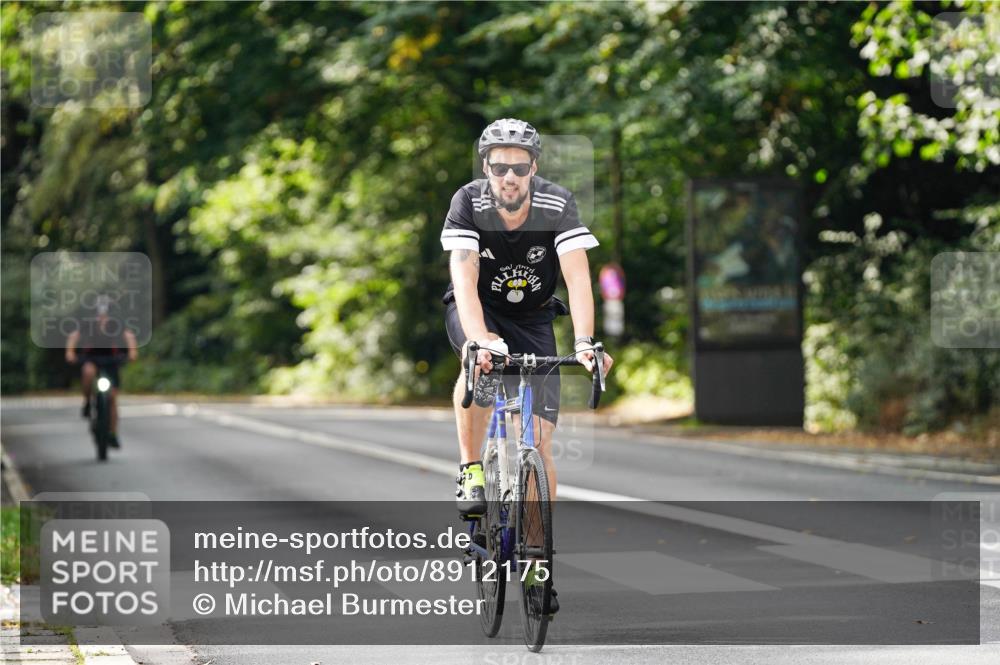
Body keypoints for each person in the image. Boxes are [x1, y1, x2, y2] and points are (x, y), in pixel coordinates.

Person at [440, 118, 614, 613]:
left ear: (533, 167)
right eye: (499, 167)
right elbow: (466, 277)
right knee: (476, 366)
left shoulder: (556, 203)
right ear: (486, 168)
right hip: (480, 310)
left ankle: (539, 566)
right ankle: (471, 468)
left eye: (519, 167)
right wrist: (480, 341)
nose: (509, 177)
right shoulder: (468, 203)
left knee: (538, 441)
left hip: (535, 316)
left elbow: (578, 278)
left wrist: (585, 342)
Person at [65, 295, 138, 449]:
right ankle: (86, 402)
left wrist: (132, 353)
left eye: (104, 310)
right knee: (87, 372)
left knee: (112, 399)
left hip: (111, 361)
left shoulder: (116, 324)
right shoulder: (88, 324)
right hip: (92, 358)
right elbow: (74, 336)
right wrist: (70, 353)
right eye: (99, 310)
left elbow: (129, 336)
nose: (102, 314)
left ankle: (113, 433)